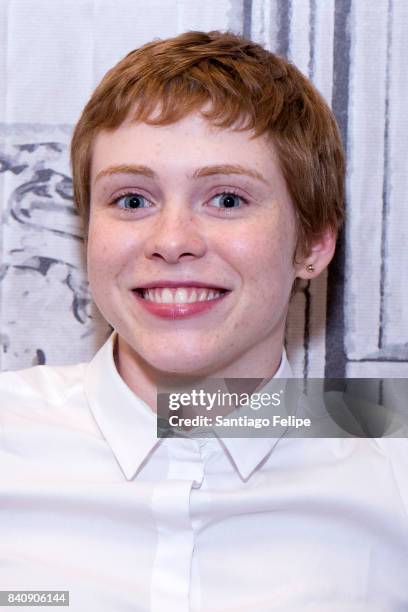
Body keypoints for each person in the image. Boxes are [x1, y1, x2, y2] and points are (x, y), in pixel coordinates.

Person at [0, 30, 406, 612]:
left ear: (314, 243)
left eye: (228, 199)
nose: (171, 241)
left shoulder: (391, 461)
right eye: (133, 200)